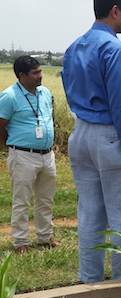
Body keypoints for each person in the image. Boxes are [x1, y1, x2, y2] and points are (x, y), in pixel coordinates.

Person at [62, 0, 121, 283]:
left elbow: (74, 92)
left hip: (81, 134)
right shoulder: (115, 48)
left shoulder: (74, 46)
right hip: (110, 137)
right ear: (115, 11)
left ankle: (90, 281)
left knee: (90, 213)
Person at [0, 56, 59, 254]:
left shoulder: (45, 92)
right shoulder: (9, 96)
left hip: (47, 155)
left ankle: (44, 236)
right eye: (35, 73)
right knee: (22, 200)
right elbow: (1, 125)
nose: (40, 76)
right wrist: (10, 145)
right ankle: (20, 242)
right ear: (21, 75)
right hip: (23, 155)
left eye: (40, 71)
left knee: (45, 199)